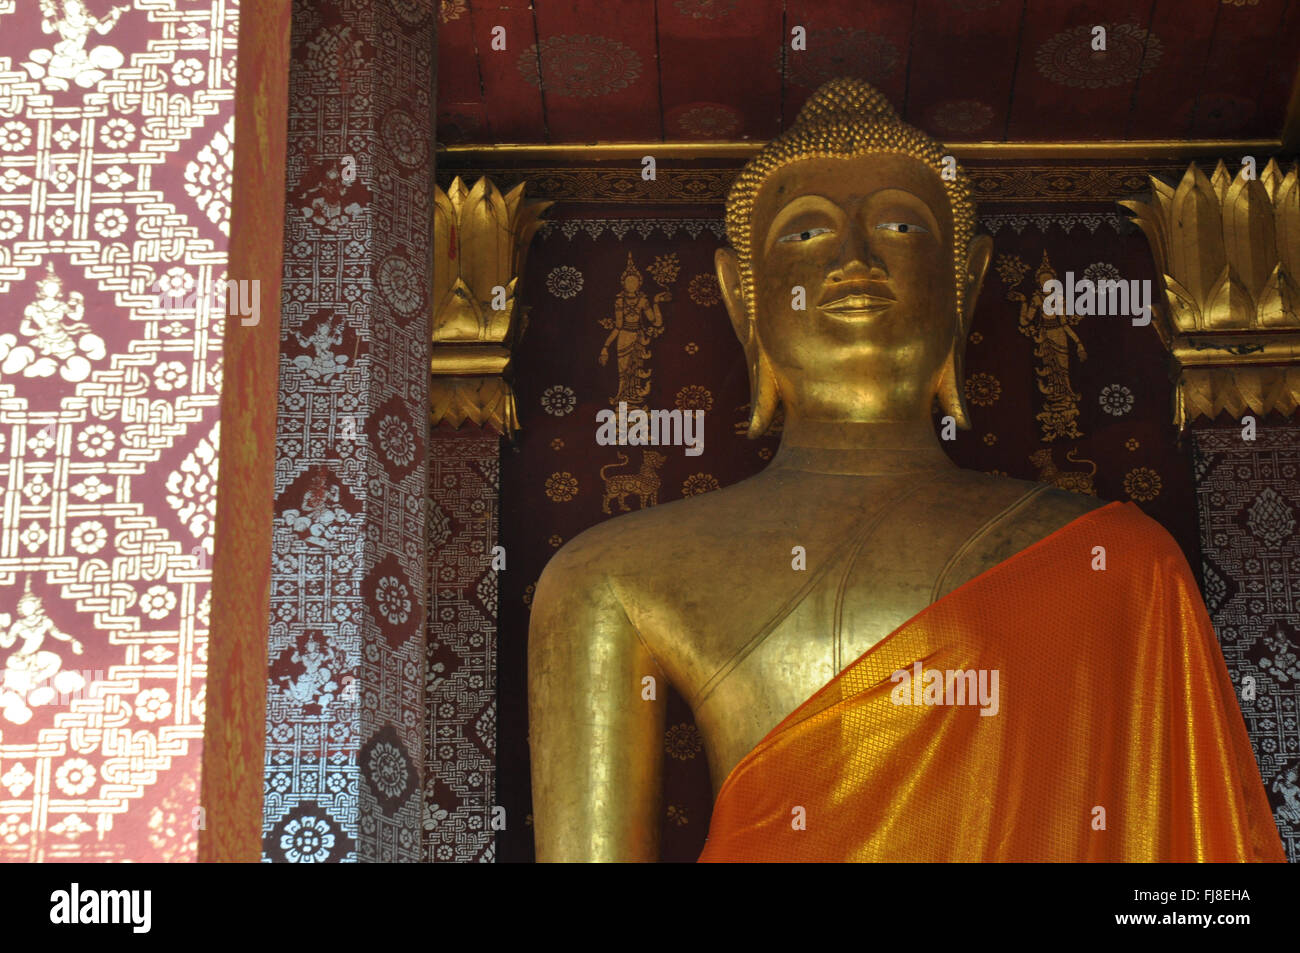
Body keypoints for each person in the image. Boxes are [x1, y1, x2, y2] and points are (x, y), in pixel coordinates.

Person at [527, 78, 1284, 862]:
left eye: (900, 224)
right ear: (739, 297)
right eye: (804, 234)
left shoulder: (1120, 566)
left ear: (967, 284)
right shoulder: (607, 577)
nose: (856, 260)